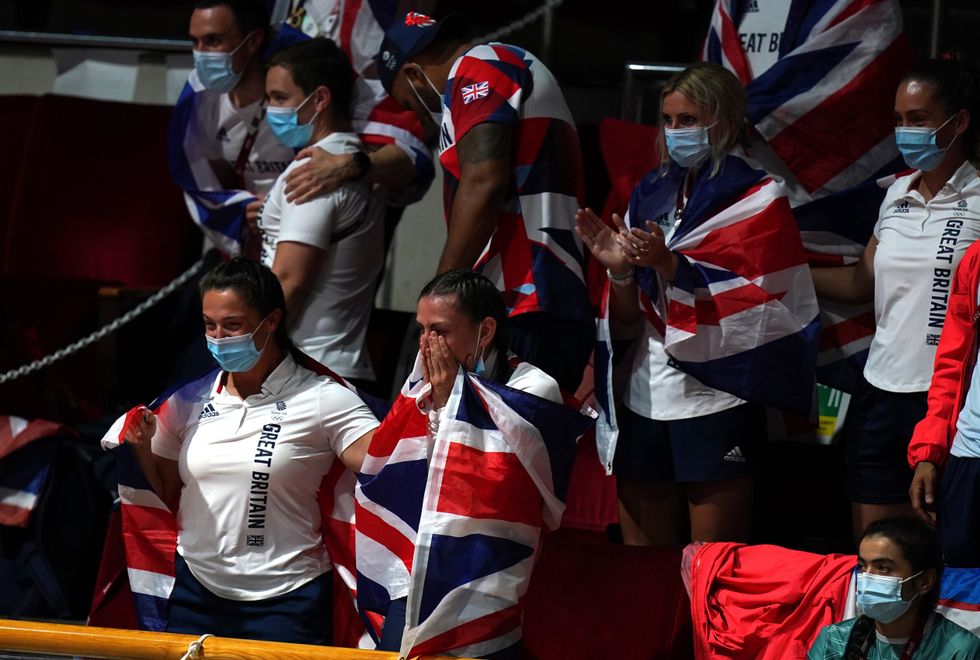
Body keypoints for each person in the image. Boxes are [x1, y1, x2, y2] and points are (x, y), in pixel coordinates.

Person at [576, 62, 819, 546]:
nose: (675, 132)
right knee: (642, 569)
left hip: (718, 395)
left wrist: (670, 266)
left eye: (688, 120)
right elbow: (629, 317)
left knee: (712, 568)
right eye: (668, 120)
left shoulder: (758, 197)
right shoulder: (650, 192)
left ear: (724, 122)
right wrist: (620, 271)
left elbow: (764, 309)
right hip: (645, 393)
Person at [121, 258, 378, 644]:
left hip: (287, 600)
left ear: (271, 320)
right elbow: (167, 495)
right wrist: (142, 450)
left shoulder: (323, 398)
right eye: (209, 325)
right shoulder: (187, 400)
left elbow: (390, 464)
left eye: (233, 325)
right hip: (194, 593)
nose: (218, 337)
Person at [361, 270, 578, 660]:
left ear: (486, 330)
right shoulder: (421, 383)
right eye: (422, 329)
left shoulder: (532, 389)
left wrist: (452, 402)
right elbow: (404, 471)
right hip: (419, 563)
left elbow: (499, 483)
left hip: (488, 568)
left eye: (440, 331)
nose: (425, 344)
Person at [375, 12, 594, 392]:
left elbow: (483, 181)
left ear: (413, 74)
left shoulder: (480, 66)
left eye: (408, 103)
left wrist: (439, 293)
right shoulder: (490, 68)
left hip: (528, 296)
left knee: (507, 429)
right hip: (527, 297)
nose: (416, 115)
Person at [811, 57, 980, 540]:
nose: (905, 131)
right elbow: (861, 283)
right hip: (879, 391)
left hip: (949, 400)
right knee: (876, 554)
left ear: (959, 122)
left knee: (940, 553)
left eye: (919, 119)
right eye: (899, 119)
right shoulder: (896, 194)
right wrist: (782, 274)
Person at [174, 0, 428, 257]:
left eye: (213, 41)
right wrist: (241, 211)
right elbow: (215, 178)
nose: (200, 54)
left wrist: (350, 165)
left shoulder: (314, 89)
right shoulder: (201, 98)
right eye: (195, 42)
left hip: (321, 241)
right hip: (259, 245)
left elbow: (410, 158)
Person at [258, 37, 383, 384]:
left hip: (306, 365)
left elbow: (290, 279)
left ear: (320, 99)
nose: (270, 110)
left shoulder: (315, 171)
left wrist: (254, 356)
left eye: (280, 98)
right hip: (328, 362)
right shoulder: (352, 161)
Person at [808, 515, 980, 659]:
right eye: (862, 566)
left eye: (883, 568)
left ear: (924, 582)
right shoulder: (833, 641)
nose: (866, 577)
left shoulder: (961, 651)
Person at [908, 235, 980, 567]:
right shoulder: (976, 257)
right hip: (968, 454)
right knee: (959, 589)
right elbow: (952, 362)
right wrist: (931, 451)